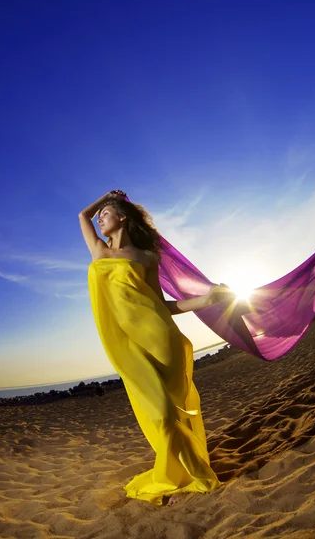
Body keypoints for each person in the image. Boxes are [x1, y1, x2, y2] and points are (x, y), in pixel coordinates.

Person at [78, 190, 228, 506]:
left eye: (107, 212)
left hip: (161, 337)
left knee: (174, 411)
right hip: (127, 345)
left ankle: (195, 474)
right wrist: (106, 197)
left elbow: (162, 304)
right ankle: (190, 471)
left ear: (123, 218)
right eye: (101, 214)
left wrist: (205, 300)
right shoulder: (100, 252)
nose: (100, 217)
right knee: (161, 413)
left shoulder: (147, 258)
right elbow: (82, 216)